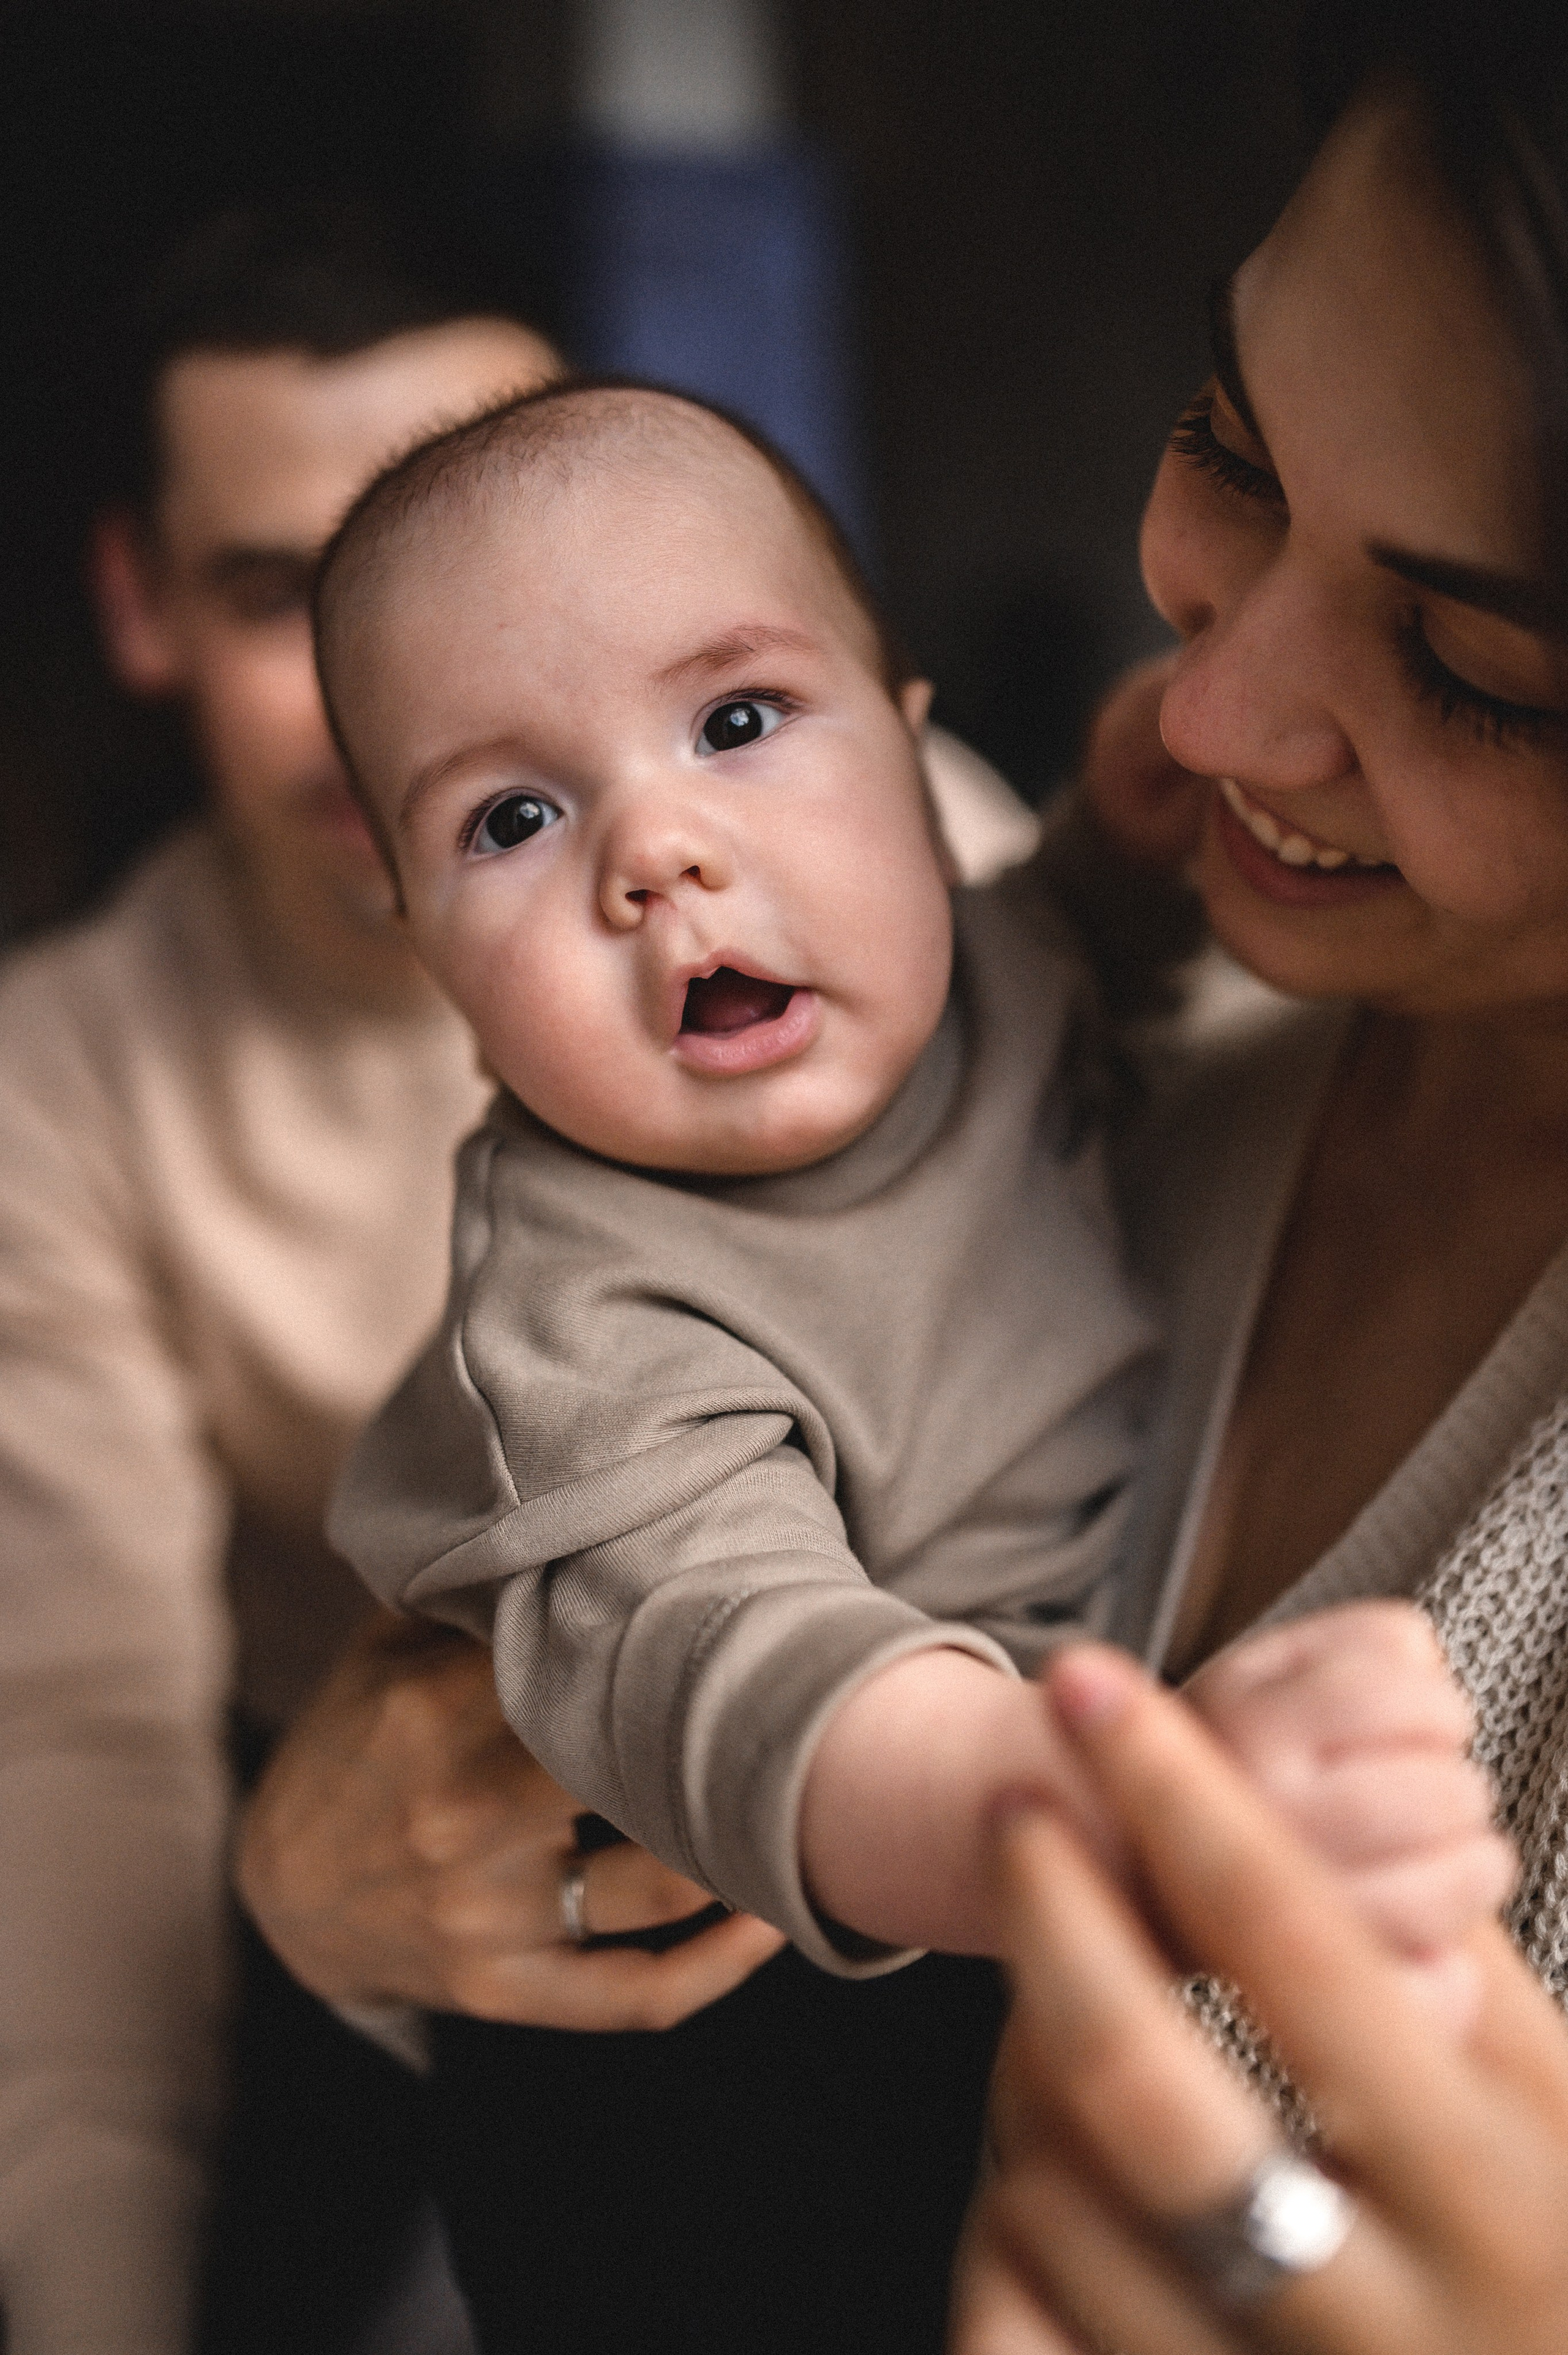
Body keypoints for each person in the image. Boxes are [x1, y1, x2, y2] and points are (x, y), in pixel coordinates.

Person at [309, 375, 1504, 2350]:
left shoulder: (972, 966)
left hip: (961, 1873)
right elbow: (759, 1675)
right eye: (512, 817)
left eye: (741, 721)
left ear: (915, 750)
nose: (657, 853)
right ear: (428, 948)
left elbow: (1060, 979)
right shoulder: (588, 1319)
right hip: (718, 2033)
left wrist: (1118, 874)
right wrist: (1152, 1807)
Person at [0, 206, 791, 2355]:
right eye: (281, 592)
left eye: (459, 538)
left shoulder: (869, 873)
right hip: (363, 1937)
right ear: (139, 608)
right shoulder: (58, 1079)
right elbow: (77, 1755)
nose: (393, 673)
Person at [950, 0, 1568, 2340]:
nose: (1200, 714)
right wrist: (331, 1880)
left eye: (1479, 665)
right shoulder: (1119, 1059)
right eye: (1232, 440)